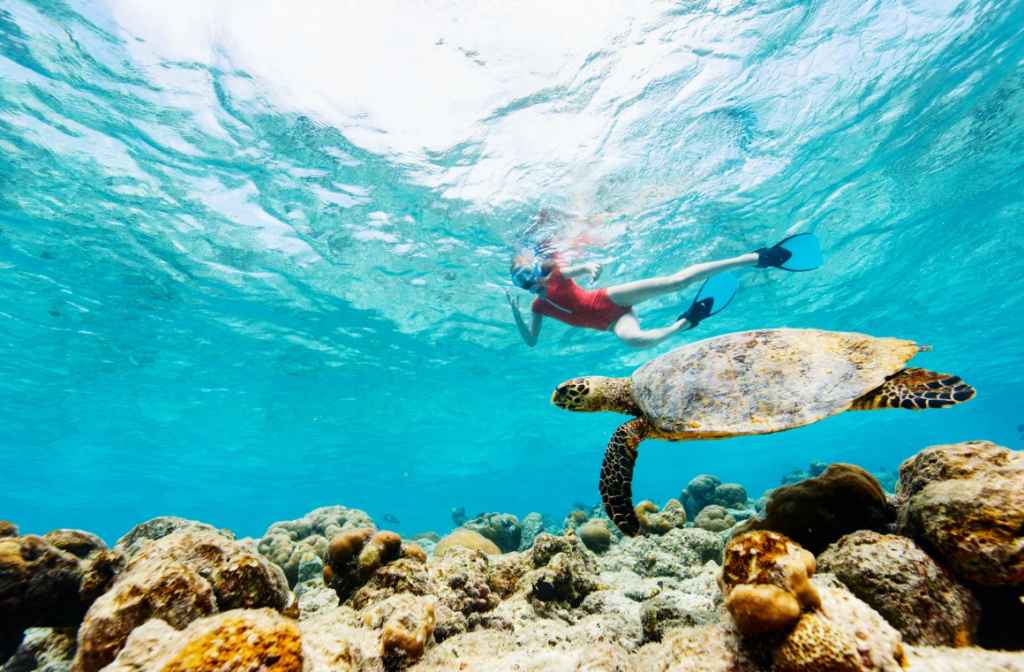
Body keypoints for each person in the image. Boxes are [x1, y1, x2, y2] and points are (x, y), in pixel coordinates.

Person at [506, 234, 822, 349]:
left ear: (537, 268)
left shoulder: (557, 276)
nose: (527, 281)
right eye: (520, 280)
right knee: (637, 342)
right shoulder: (536, 308)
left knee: (676, 282)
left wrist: (591, 268)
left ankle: (754, 258)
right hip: (613, 323)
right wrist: (516, 313)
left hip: (611, 298)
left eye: (528, 273)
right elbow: (531, 341)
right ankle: (686, 321)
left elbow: (582, 267)